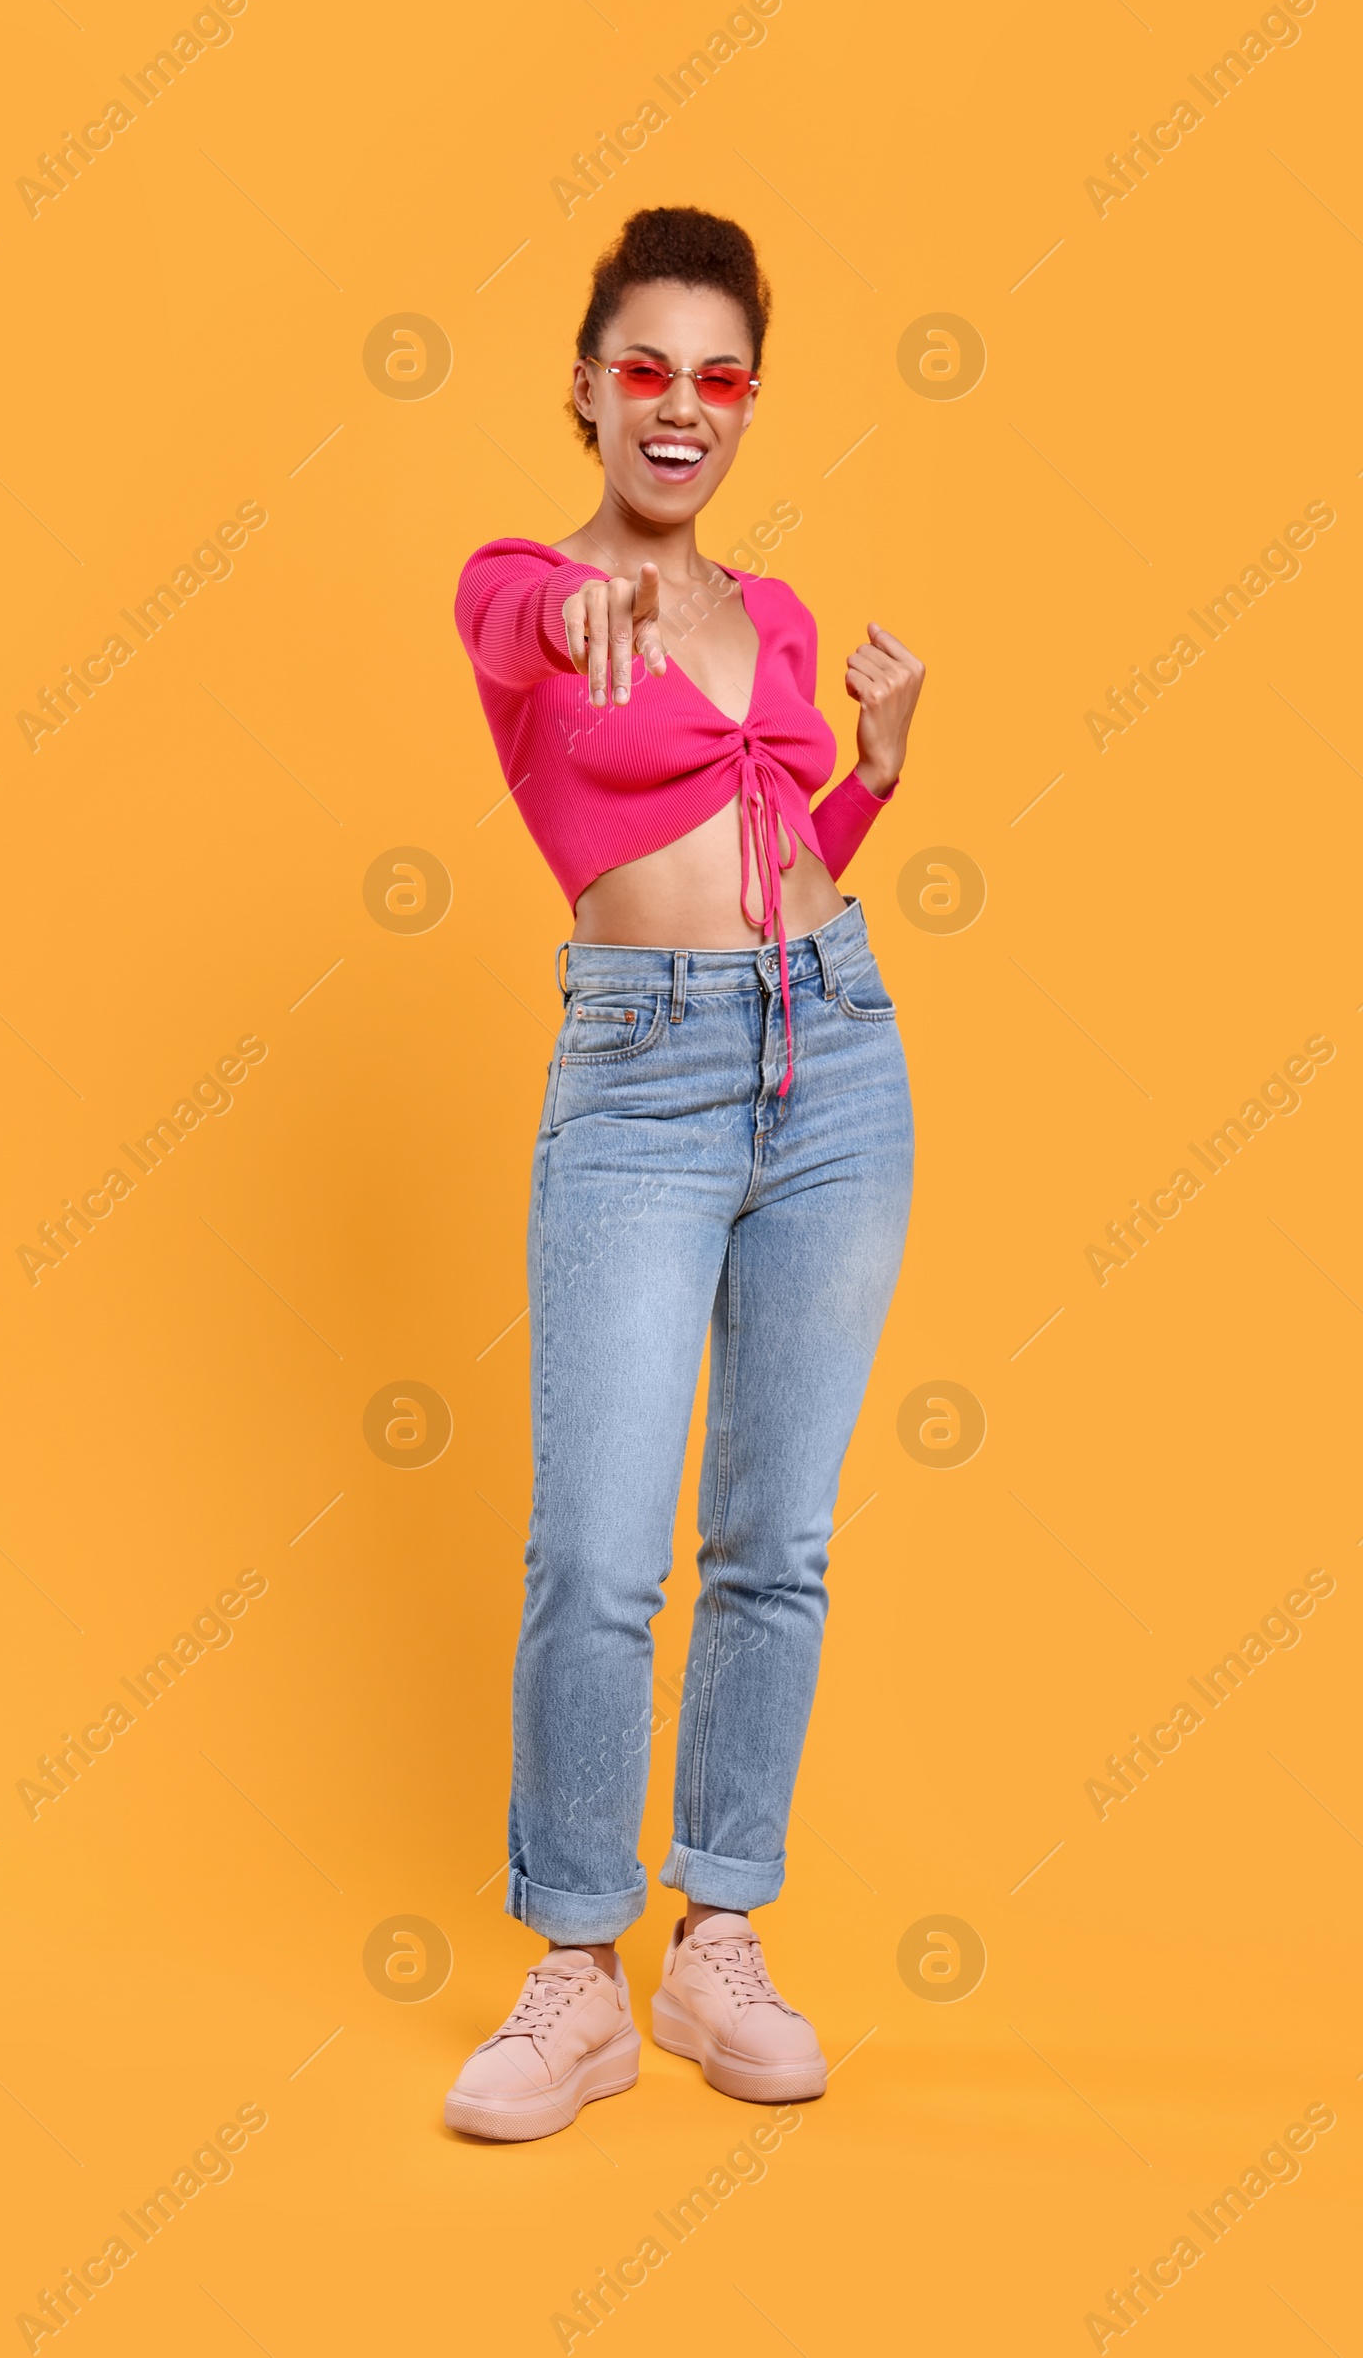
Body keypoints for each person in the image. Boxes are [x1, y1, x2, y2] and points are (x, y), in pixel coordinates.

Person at [446, 207, 925, 2142]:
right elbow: (521, 631)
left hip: (834, 1062)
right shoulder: (516, 587)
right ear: (584, 384)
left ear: (747, 406)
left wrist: (879, 767)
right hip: (638, 1083)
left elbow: (794, 847)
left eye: (718, 377)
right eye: (644, 367)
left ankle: (718, 1942)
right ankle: (575, 1974)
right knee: (596, 1552)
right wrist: (582, 619)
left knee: (777, 1545)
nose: (681, 408)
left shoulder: (783, 614)